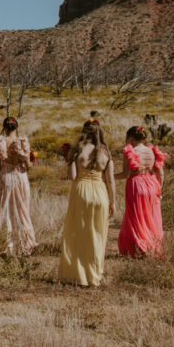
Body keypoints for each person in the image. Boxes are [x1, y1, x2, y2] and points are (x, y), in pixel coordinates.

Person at [58, 120, 115, 286]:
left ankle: (77, 274)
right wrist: (113, 202)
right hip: (100, 193)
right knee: (97, 235)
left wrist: (69, 160)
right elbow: (110, 181)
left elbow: (73, 176)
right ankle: (94, 275)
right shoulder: (106, 153)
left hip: (81, 191)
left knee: (77, 234)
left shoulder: (78, 151)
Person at [0, 116, 36, 255]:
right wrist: (32, 161)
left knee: (4, 210)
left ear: (4, 128)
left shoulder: (1, 142)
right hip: (20, 176)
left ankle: (5, 243)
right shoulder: (22, 142)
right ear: (17, 128)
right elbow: (28, 166)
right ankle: (23, 244)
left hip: (5, 176)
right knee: (21, 210)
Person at [116, 125, 165, 257]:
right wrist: (159, 188)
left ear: (131, 138)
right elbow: (160, 172)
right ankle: (152, 246)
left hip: (136, 184)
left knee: (136, 217)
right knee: (150, 216)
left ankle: (137, 248)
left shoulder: (130, 151)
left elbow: (126, 174)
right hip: (152, 184)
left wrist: (108, 177)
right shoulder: (152, 151)